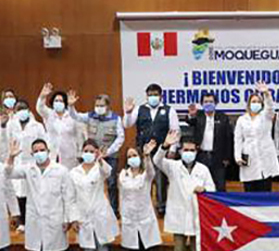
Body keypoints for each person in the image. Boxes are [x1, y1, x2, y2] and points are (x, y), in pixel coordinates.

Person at [6, 138, 79, 251]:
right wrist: (11, 157)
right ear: (32, 154)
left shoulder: (60, 170)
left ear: (48, 152)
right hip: (36, 217)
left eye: (42, 150)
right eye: (36, 151)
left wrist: (68, 218)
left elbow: (69, 196)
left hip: (56, 216)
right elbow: (8, 173)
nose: (39, 153)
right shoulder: (28, 169)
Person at [154, 130, 215, 251]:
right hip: (179, 215)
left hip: (197, 216)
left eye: (191, 150)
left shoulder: (203, 169)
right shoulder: (173, 167)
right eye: (185, 150)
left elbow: (213, 190)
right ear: (180, 151)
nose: (188, 153)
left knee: (197, 250)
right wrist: (165, 145)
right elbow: (157, 160)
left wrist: (205, 190)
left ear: (196, 151)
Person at [70, 139, 119, 251]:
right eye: (86, 151)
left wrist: (101, 160)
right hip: (83, 215)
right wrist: (74, 218)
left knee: (102, 247)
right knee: (88, 249)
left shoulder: (100, 168)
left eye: (92, 151)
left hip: (99, 213)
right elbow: (71, 197)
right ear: (82, 152)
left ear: (97, 152)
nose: (89, 154)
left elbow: (108, 172)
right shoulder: (74, 172)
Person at [124, 84, 180, 215]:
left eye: (155, 94)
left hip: (162, 150)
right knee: (143, 178)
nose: (152, 97)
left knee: (160, 180)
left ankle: (161, 207)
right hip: (143, 150)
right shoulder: (139, 109)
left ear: (161, 96)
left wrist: (172, 149)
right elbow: (127, 124)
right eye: (150, 95)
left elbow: (175, 131)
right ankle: (144, 206)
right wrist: (127, 113)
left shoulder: (169, 110)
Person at [68, 91, 125, 218]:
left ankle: (114, 211)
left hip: (109, 156)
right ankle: (90, 209)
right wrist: (71, 106)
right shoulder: (90, 116)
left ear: (108, 106)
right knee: (90, 181)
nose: (98, 107)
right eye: (97, 105)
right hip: (92, 156)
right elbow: (75, 116)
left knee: (111, 183)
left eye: (101, 105)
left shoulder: (116, 119)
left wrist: (107, 152)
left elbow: (120, 138)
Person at [119, 141, 162, 251]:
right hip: (129, 216)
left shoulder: (146, 175)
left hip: (144, 216)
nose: (132, 158)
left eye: (134, 155)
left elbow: (151, 171)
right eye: (129, 156)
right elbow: (122, 195)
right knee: (133, 247)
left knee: (145, 247)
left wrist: (147, 156)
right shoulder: (123, 174)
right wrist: (122, 215)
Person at [6, 99, 46, 231]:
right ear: (15, 112)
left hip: (33, 162)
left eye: (24, 109)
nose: (22, 112)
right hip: (17, 162)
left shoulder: (37, 126)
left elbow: (44, 143)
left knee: (34, 192)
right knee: (19, 193)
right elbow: (9, 142)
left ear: (29, 111)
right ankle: (22, 222)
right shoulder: (11, 124)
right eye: (19, 109)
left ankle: (37, 220)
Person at [234, 82, 279, 192]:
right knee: (250, 188)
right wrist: (237, 157)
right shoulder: (242, 119)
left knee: (265, 189)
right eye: (253, 101)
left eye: (258, 102)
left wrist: (266, 94)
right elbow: (238, 139)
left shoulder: (266, 116)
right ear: (249, 104)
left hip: (265, 157)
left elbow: (270, 108)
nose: (256, 104)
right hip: (248, 158)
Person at [187, 92, 232, 192]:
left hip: (218, 157)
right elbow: (190, 122)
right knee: (201, 183)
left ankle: (220, 206)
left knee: (219, 185)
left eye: (211, 101)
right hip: (201, 155)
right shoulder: (198, 116)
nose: (208, 104)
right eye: (206, 102)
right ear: (202, 104)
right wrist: (191, 115)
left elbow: (228, 138)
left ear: (215, 103)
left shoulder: (223, 117)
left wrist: (227, 157)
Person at [36, 83, 86, 169]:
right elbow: (40, 108)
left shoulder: (73, 116)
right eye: (56, 101)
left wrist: (80, 153)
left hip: (70, 156)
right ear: (52, 103)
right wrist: (42, 96)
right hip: (53, 154)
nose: (58, 103)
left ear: (65, 103)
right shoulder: (49, 114)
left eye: (61, 101)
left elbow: (79, 136)